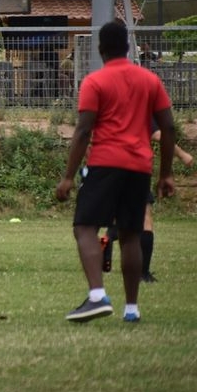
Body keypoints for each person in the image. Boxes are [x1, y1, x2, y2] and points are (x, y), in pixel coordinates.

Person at [55, 20, 175, 323]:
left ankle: (97, 296)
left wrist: (69, 176)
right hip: (139, 167)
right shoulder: (150, 81)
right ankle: (131, 309)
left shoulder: (95, 82)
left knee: (84, 227)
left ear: (100, 49)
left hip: (106, 163)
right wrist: (166, 174)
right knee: (131, 234)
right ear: (127, 47)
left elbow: (83, 131)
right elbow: (169, 127)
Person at [101, 122, 193, 281]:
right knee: (145, 218)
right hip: (132, 169)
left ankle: (104, 242)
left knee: (120, 222)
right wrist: (182, 154)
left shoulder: (114, 108)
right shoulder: (141, 106)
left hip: (113, 168)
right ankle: (143, 273)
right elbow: (159, 135)